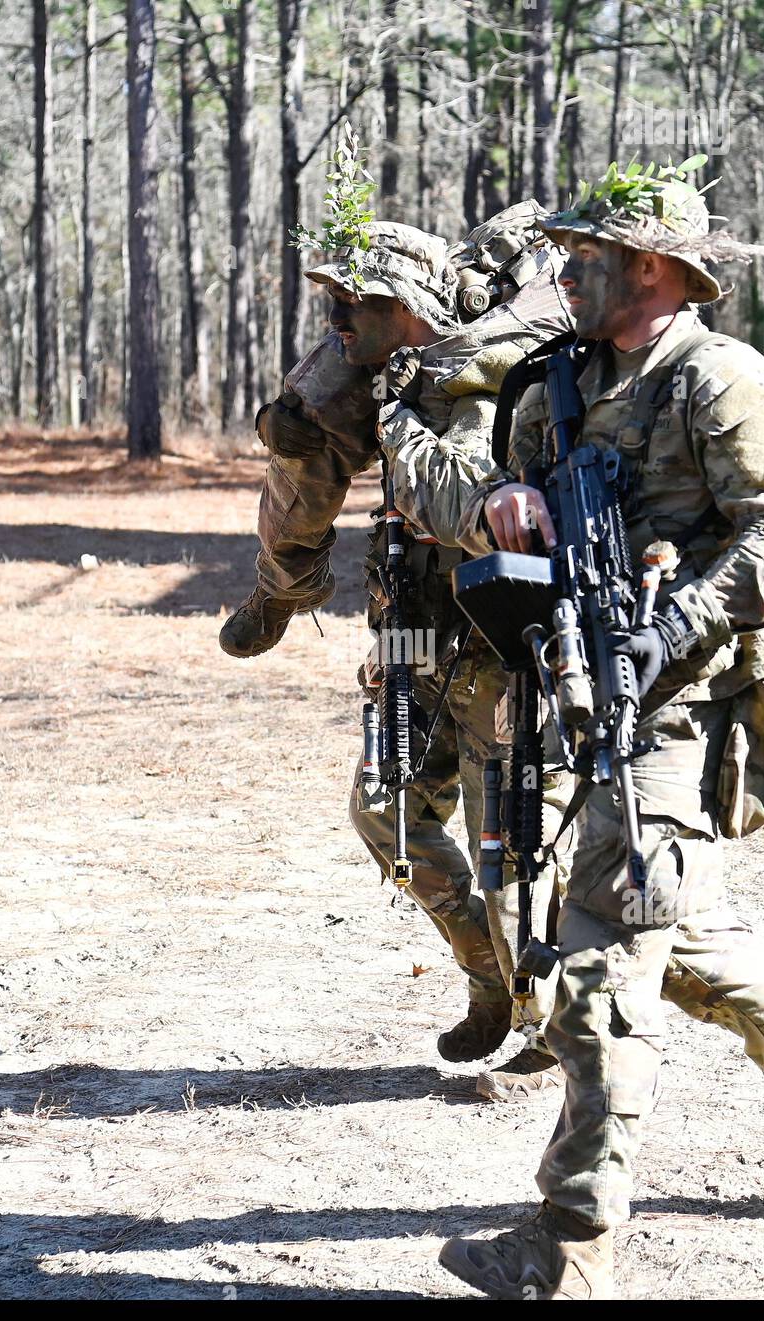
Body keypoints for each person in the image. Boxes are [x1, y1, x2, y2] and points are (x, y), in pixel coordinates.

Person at [438, 166, 764, 1297]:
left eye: (584, 255)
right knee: (674, 939)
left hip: (681, 708)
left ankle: (572, 1246)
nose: (563, 272)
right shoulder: (558, 382)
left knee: (602, 964)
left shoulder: (722, 380)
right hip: (569, 695)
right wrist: (504, 504)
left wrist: (675, 623)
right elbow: (510, 494)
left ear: (648, 266)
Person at [228, 219, 574, 1098]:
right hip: (414, 645)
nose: (337, 320)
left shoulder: (484, 391)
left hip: (500, 656)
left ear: (409, 305)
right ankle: (490, 975)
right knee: (386, 814)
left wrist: (411, 432)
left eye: (357, 301)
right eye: (334, 302)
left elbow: (473, 509)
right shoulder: (394, 382)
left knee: (514, 855)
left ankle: (552, 1037)